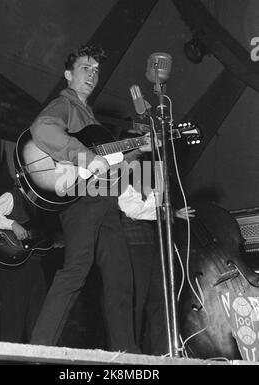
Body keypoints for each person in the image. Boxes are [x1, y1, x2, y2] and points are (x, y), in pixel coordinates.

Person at [28, 44, 141, 353]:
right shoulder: (64, 104)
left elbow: (109, 162)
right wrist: (86, 158)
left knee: (120, 276)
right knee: (77, 267)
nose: (92, 75)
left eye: (96, 71)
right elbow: (42, 129)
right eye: (84, 69)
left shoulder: (91, 118)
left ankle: (128, 355)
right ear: (68, 75)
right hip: (79, 198)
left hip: (104, 200)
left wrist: (139, 149)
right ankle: (40, 348)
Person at [118, 145, 195, 354]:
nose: (139, 154)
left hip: (151, 242)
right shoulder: (121, 173)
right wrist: (167, 212)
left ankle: (163, 353)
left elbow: (153, 205)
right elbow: (130, 209)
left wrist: (172, 211)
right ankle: (129, 352)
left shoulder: (142, 172)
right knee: (137, 299)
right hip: (133, 242)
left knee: (160, 300)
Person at [0, 185, 49, 343]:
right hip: (13, 265)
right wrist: (12, 224)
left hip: (34, 264)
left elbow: (43, 236)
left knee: (38, 318)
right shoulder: (13, 196)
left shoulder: (43, 204)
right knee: (13, 319)